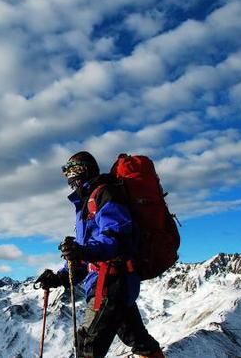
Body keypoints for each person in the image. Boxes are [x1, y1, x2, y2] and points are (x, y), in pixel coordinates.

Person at [36, 151, 165, 358]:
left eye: (73, 170)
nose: (70, 177)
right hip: (110, 281)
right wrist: (60, 277)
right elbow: (87, 252)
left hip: (111, 283)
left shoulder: (104, 194)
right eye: (66, 172)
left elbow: (115, 238)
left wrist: (82, 251)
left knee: (87, 347)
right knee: (140, 341)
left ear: (85, 170)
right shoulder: (86, 204)